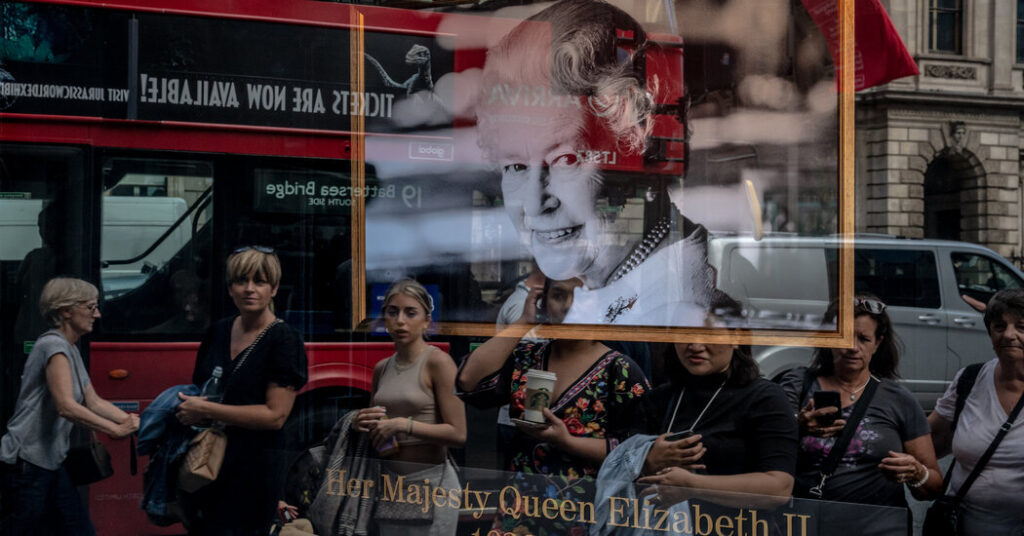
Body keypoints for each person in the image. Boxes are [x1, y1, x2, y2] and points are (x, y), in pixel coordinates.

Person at [475, 0, 727, 327]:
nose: (534, 205)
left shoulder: (680, 314)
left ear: (644, 154)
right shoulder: (531, 305)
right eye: (516, 166)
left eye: (565, 159)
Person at [457, 276, 650, 536]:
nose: (569, 306)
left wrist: (567, 441)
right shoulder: (528, 357)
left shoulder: (620, 370)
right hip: (521, 507)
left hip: (584, 513)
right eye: (558, 295)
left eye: (582, 297)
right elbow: (469, 382)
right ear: (543, 302)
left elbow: (638, 452)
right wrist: (523, 322)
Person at [778, 295, 941, 533]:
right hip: (806, 525)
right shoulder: (798, 384)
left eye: (864, 339)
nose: (853, 347)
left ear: (877, 343)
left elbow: (933, 488)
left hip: (879, 527)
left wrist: (916, 472)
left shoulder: (898, 399)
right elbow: (763, 445)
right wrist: (798, 425)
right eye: (844, 337)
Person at [176, 246, 308, 536]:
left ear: (273, 289)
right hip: (208, 462)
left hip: (255, 467)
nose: (250, 289)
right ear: (229, 288)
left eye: (259, 282)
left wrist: (206, 410)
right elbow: (203, 390)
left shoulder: (284, 340)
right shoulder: (219, 331)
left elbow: (275, 416)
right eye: (241, 281)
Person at [1, 277, 140, 535]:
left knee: (78, 529)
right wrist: (116, 430)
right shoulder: (52, 346)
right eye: (90, 307)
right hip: (28, 464)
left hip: (51, 462)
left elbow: (93, 401)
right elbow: (66, 406)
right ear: (66, 310)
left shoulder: (70, 348)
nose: (96, 314)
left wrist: (134, 422)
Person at [636, 314, 797, 513]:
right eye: (686, 333)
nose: (695, 345)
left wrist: (693, 486)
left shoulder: (764, 397)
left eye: (709, 333)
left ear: (736, 338)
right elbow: (620, 471)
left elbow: (779, 488)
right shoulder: (658, 398)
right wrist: (648, 461)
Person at [352, 279, 467, 536]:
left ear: (427, 320)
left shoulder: (438, 362)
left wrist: (404, 424)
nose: (400, 320)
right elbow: (375, 429)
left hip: (432, 486)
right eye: (392, 312)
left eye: (410, 312)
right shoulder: (382, 367)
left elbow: (459, 434)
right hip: (391, 486)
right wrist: (359, 422)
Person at [928, 288, 1024, 534]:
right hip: (962, 526)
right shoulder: (970, 380)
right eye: (999, 326)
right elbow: (928, 442)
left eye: (1021, 326)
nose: (1009, 335)